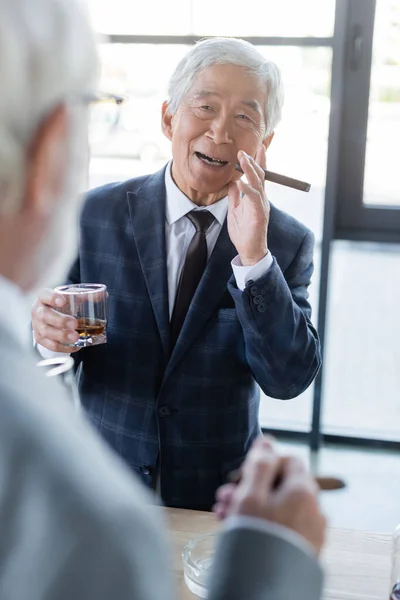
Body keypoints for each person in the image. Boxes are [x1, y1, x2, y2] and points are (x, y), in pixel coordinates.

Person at [0, 3, 325, 597]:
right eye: (204, 107)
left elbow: (287, 378)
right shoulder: (94, 213)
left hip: (214, 508)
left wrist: (253, 260)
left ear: (266, 141)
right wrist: (44, 331)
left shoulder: (286, 242)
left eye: (245, 118)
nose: (221, 132)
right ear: (168, 116)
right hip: (98, 487)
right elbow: (42, 348)